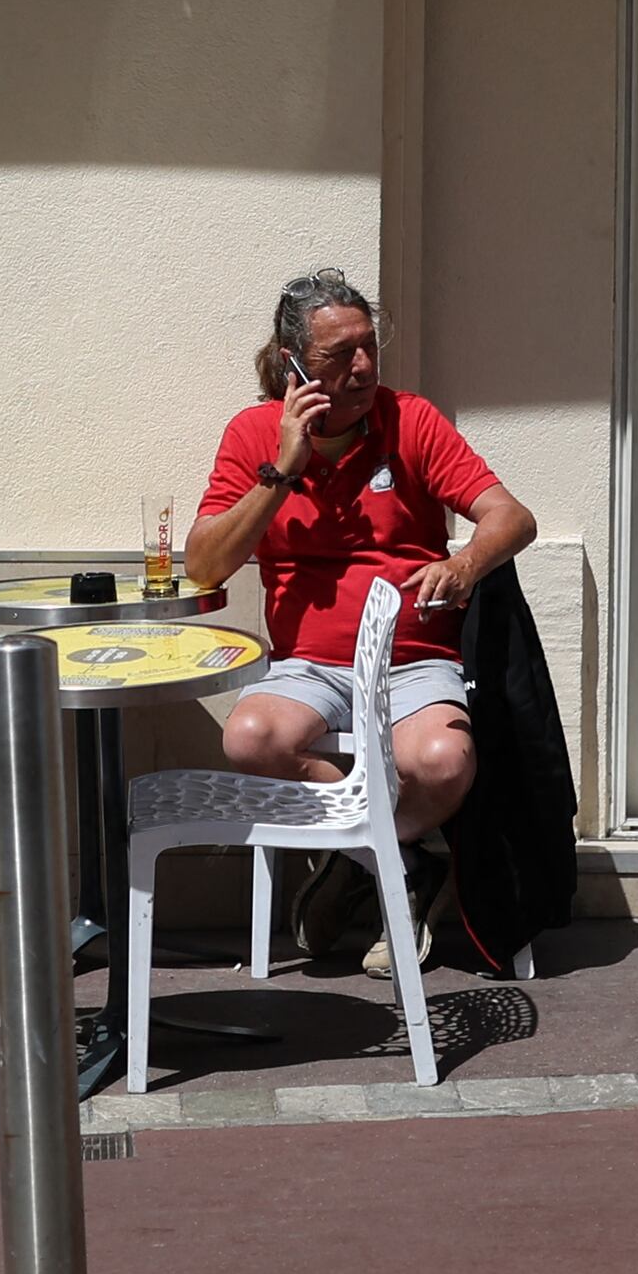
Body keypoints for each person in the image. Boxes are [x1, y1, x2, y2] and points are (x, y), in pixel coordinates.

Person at [186, 269, 535, 908]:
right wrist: (283, 472)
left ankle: (365, 857)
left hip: (413, 659)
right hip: (310, 666)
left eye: (369, 345)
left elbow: (512, 518)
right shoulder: (253, 434)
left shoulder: (412, 421)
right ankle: (402, 865)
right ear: (293, 362)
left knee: (443, 761)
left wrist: (463, 567)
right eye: (339, 354)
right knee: (251, 740)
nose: (364, 364)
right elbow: (205, 566)